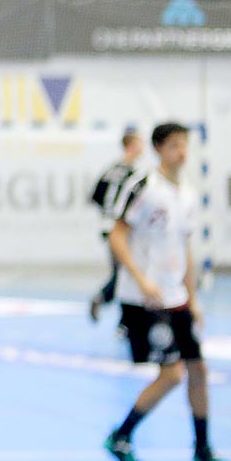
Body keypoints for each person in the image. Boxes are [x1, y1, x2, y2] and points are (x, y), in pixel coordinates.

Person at [103, 122, 231, 461]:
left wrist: (193, 299)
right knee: (172, 374)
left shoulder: (188, 194)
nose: (183, 152)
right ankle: (121, 435)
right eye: (175, 145)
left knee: (198, 370)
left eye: (185, 145)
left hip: (176, 296)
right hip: (146, 298)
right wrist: (141, 279)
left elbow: (185, 249)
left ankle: (203, 450)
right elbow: (116, 236)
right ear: (159, 148)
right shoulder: (144, 187)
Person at [87, 128, 144, 323]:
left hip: (106, 226)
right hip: (121, 229)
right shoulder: (135, 174)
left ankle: (122, 319)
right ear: (131, 146)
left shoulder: (110, 170)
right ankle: (105, 300)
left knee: (121, 272)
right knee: (126, 273)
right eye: (139, 144)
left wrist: (107, 215)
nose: (142, 148)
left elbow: (95, 196)